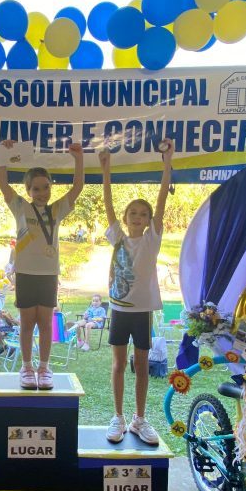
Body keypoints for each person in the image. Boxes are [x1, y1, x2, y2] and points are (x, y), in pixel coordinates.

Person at [101, 139, 174, 446]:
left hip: (141, 311)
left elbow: (161, 202)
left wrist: (166, 164)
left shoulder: (151, 240)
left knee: (141, 365)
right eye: (133, 212)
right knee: (118, 364)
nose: (139, 217)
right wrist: (105, 170)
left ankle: (139, 419)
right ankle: (118, 417)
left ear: (148, 221)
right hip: (119, 310)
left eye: (143, 214)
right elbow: (107, 203)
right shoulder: (117, 236)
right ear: (126, 217)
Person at [0, 139, 84, 390]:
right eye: (36, 189)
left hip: (48, 274)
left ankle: (44, 367)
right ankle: (26, 366)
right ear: (28, 190)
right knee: (26, 323)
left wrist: (78, 159)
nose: (42, 192)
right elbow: (2, 184)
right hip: (25, 273)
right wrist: (4, 154)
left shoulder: (56, 210)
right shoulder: (20, 207)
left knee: (45, 322)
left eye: (46, 187)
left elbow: (78, 187)